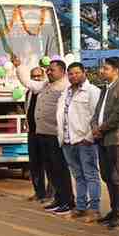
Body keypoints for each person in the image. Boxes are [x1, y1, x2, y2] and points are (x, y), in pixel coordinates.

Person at [14, 56, 75, 214]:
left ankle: (68, 202)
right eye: (48, 69)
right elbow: (28, 83)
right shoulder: (46, 84)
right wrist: (19, 66)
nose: (48, 72)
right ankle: (58, 199)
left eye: (52, 70)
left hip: (56, 135)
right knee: (51, 169)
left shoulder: (66, 87)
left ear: (62, 72)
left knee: (60, 169)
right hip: (42, 134)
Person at [91, 57, 119, 228]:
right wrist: (95, 126)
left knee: (117, 176)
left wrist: (100, 129)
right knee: (107, 175)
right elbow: (96, 113)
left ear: (116, 70)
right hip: (102, 138)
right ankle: (114, 211)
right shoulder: (105, 89)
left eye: (106, 68)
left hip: (115, 139)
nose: (102, 71)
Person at [57, 62, 102, 222]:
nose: (73, 76)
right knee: (78, 176)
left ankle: (94, 209)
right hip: (68, 141)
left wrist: (89, 137)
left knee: (91, 175)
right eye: (70, 74)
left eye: (77, 73)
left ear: (84, 73)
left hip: (85, 141)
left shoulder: (92, 91)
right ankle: (81, 207)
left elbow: (97, 117)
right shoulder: (66, 92)